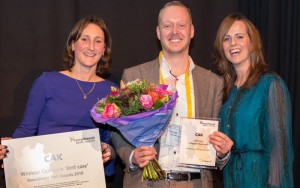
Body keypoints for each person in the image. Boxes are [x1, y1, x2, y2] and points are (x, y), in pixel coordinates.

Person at [111, 1, 233, 187]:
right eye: (167, 26)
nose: (174, 31)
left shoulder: (213, 83)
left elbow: (214, 143)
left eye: (181, 25)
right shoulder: (135, 76)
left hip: (194, 183)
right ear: (158, 32)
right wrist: (132, 155)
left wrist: (222, 153)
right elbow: (116, 131)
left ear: (191, 31)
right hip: (146, 182)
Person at [0, 16, 116, 176]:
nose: (91, 47)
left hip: (86, 178)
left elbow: (109, 139)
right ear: (73, 45)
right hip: (45, 175)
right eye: (84, 39)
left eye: (98, 41)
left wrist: (108, 151)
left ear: (104, 49)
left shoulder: (112, 91)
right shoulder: (47, 82)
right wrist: (9, 149)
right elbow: (27, 129)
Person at [214, 13, 294, 187]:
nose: (233, 43)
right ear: (222, 47)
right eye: (226, 38)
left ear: (252, 42)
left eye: (239, 37)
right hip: (231, 181)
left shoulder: (271, 84)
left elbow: (281, 153)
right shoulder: (227, 92)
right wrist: (222, 153)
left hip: (259, 180)